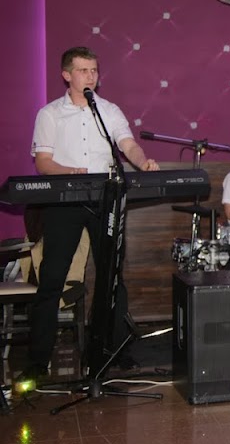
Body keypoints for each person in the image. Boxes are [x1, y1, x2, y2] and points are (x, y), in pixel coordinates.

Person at [25, 46, 159, 380]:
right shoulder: (50, 114)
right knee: (52, 277)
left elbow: (127, 144)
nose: (91, 76)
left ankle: (117, 349)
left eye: (94, 70)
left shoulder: (108, 111)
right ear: (66, 75)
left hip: (105, 200)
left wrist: (142, 161)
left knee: (112, 277)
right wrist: (71, 173)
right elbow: (43, 163)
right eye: (83, 70)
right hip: (65, 202)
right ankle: (38, 359)